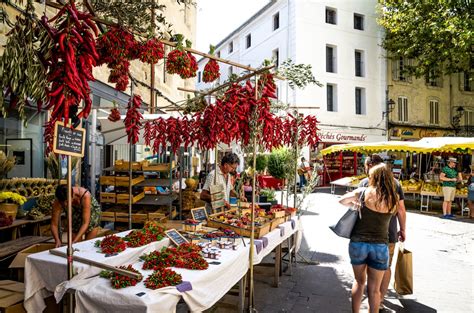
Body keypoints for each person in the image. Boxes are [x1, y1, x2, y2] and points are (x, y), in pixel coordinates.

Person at [340, 164, 399, 313]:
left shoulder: (363, 192)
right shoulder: (394, 198)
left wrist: (355, 202)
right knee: (375, 290)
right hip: (380, 246)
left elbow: (341, 200)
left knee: (359, 282)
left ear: (374, 177)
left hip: (358, 243)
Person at [359, 154, 406, 310]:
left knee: (365, 267)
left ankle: (371, 296)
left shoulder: (365, 182)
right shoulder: (396, 184)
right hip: (389, 234)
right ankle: (379, 299)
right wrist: (403, 229)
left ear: (370, 165)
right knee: (385, 267)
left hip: (364, 234)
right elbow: (401, 210)